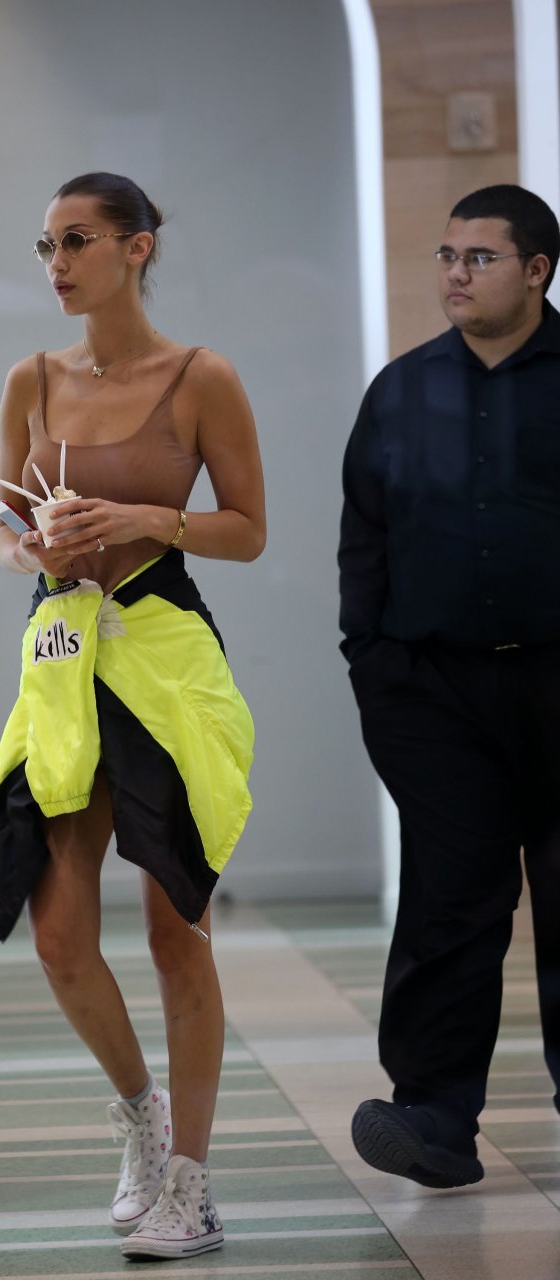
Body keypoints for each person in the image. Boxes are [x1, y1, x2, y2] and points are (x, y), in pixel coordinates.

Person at [0, 171, 265, 1259]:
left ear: (137, 247)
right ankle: (140, 1116)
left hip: (162, 656)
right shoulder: (30, 378)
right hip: (62, 658)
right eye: (46, 245)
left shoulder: (201, 377)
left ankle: (191, 1183)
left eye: (77, 240)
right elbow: (4, 531)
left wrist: (146, 515)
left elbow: (247, 529)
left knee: (172, 927)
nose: (56, 263)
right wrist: (34, 550)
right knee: (58, 933)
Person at [338, 184, 560, 1189]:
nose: (454, 274)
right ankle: (432, 1117)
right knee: (450, 897)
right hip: (432, 692)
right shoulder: (400, 390)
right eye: (445, 255)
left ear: (536, 270)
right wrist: (373, 664)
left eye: (478, 257)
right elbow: (364, 535)